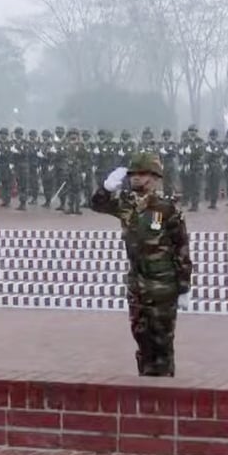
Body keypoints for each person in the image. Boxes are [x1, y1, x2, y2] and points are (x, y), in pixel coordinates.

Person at [90, 152, 193, 377]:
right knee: (142, 338)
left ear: (155, 178)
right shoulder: (126, 204)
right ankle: (146, 387)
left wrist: (184, 286)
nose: (136, 178)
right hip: (137, 284)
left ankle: (164, 392)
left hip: (163, 285)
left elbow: (181, 247)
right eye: (133, 174)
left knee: (162, 343)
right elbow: (97, 205)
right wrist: (106, 189)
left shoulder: (167, 208)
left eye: (142, 174)